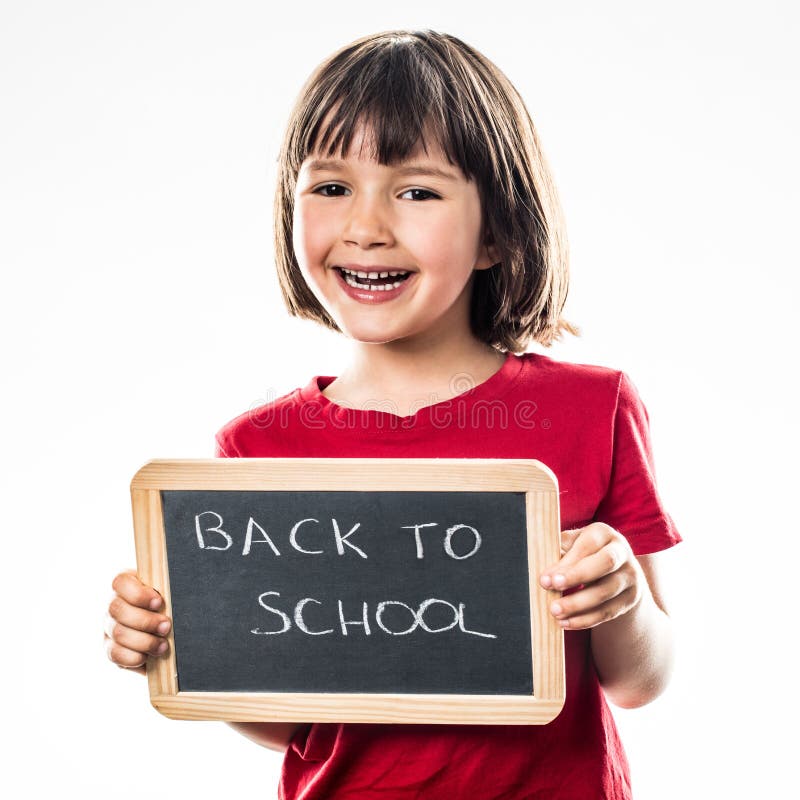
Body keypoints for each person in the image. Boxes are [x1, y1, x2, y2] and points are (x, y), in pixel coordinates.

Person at [105, 29, 681, 799]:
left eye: (416, 191)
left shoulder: (593, 407)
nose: (366, 226)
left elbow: (642, 681)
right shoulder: (256, 447)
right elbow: (286, 723)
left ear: (498, 231)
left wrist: (622, 600)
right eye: (331, 187)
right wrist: (191, 644)